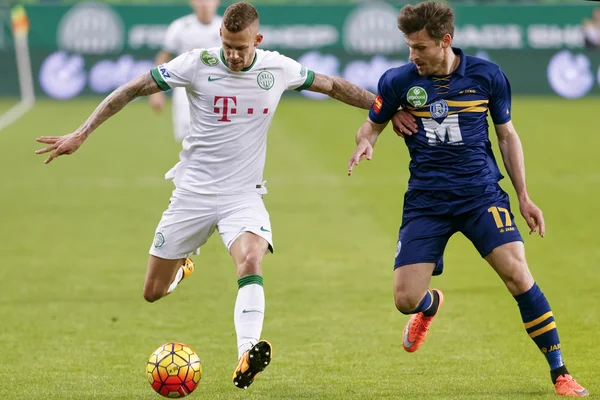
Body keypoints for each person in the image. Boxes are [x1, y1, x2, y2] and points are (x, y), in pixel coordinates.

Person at [35, 1, 375, 391]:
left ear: (257, 40)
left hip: (242, 195)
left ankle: (247, 354)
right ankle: (182, 269)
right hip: (192, 194)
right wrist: (82, 131)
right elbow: (132, 88)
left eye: (242, 47)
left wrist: (384, 107)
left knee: (250, 259)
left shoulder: (278, 68)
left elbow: (333, 86)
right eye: (228, 45)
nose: (233, 54)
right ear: (220, 37)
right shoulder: (196, 63)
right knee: (152, 292)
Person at [347, 2, 588, 397]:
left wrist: (524, 197)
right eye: (408, 46)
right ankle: (429, 306)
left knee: (517, 274)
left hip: (481, 195)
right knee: (405, 299)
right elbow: (369, 126)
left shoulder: (487, 76)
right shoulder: (398, 82)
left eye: (420, 47)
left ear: (445, 42)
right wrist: (365, 143)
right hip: (427, 201)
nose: (412, 55)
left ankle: (560, 372)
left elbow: (507, 136)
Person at [148, 0, 223, 142]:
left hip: (219, 90)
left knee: (217, 139)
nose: (205, 4)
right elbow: (164, 56)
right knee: (188, 139)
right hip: (186, 90)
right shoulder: (180, 27)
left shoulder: (226, 27)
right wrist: (156, 92)